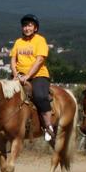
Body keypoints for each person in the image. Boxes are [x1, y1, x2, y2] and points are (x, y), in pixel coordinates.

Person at [10, 13, 55, 143]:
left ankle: (48, 125)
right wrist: (15, 75)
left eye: (30, 25)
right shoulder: (18, 42)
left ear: (35, 28)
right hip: (19, 76)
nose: (27, 28)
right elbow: (13, 59)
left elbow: (40, 60)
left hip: (38, 75)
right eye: (24, 25)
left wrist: (28, 76)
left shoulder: (40, 40)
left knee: (40, 96)